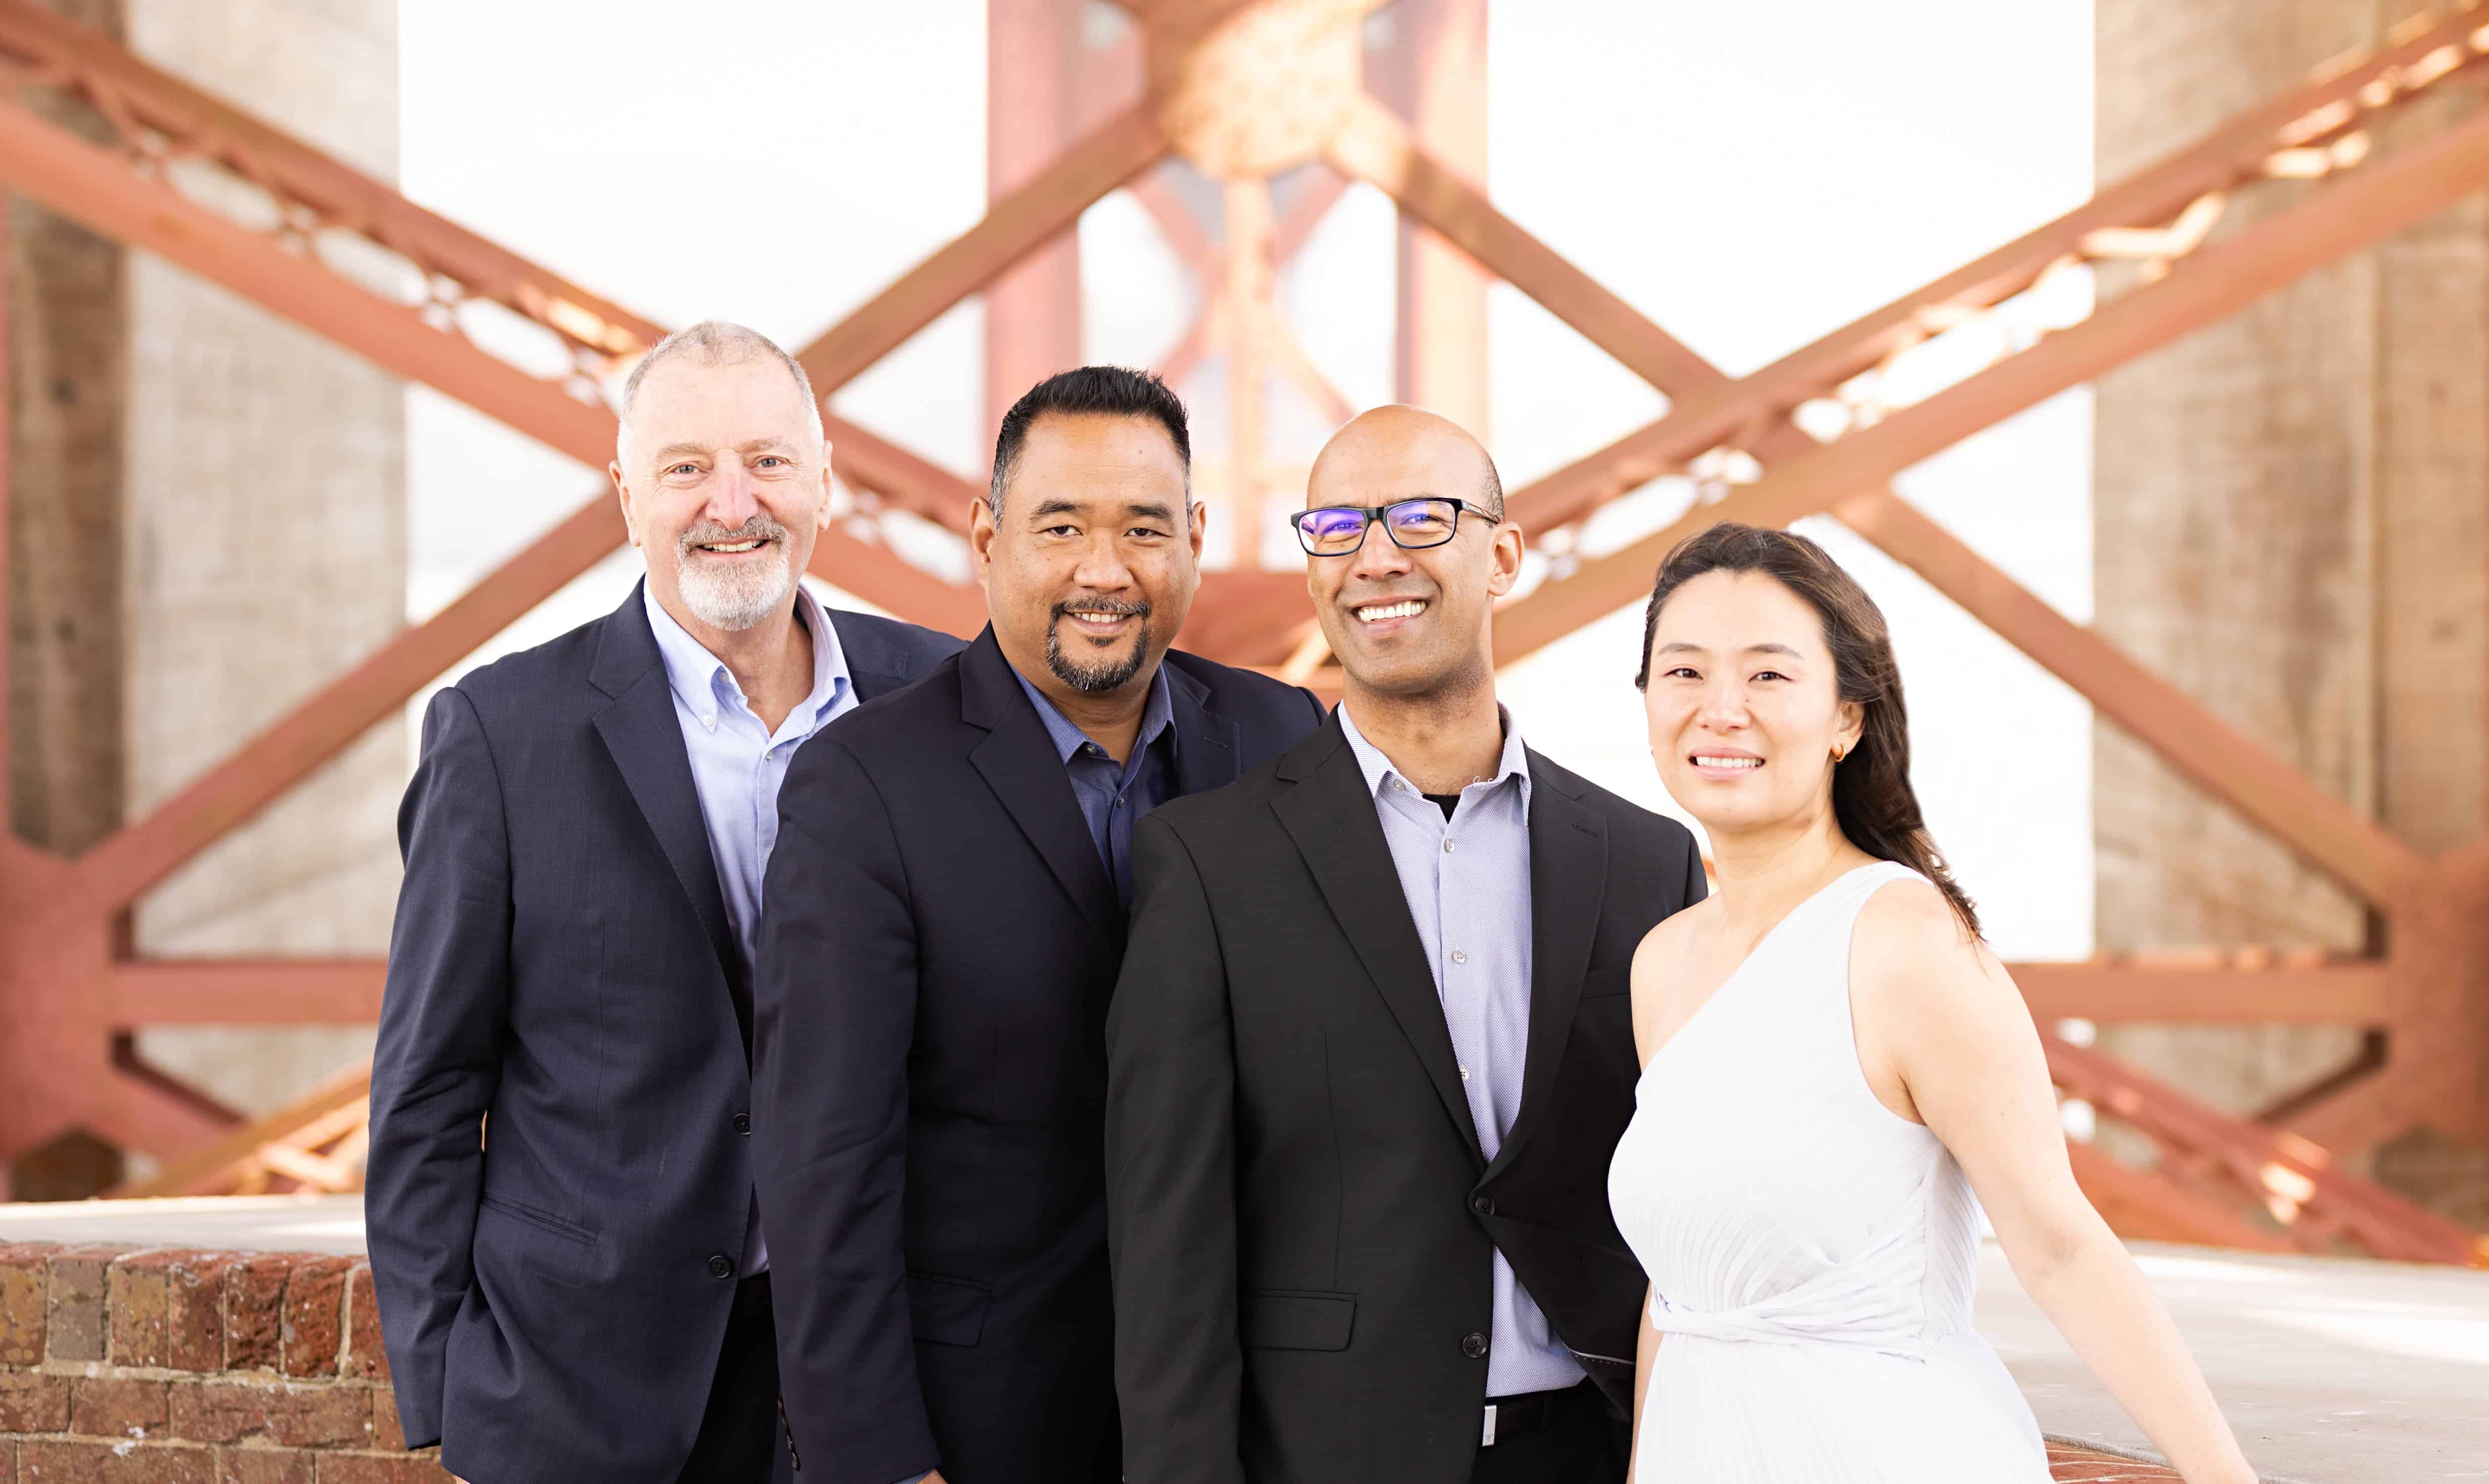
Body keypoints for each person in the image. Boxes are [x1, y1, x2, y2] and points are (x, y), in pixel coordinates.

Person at [365, 321, 963, 1484]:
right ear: (626, 492)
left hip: (880, 1371)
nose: (731, 503)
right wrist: (449, 1385)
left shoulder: (942, 697)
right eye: (687, 467)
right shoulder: (502, 734)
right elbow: (428, 1085)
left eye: (769, 462)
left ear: (825, 483)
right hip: (579, 1385)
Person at [1105, 406, 1708, 1484]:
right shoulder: (1207, 863)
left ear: (1505, 555)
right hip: (1325, 1458)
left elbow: (1694, 1202)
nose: (1376, 557)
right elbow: (1168, 1248)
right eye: (1335, 527)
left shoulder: (1646, 861)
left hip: (1591, 1450)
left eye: (1422, 517)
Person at [752, 366, 1326, 1484]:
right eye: (1059, 526)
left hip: (1241, 1422)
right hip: (978, 1425)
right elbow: (825, 1168)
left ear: (1196, 538)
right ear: (986, 535)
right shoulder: (864, 784)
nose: (1103, 572)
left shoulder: (1282, 737)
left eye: (1145, 529)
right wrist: (877, 1464)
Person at [1610, 521, 2257, 1483]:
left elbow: (2061, 1246)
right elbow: (1681, 1285)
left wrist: (2224, 1476)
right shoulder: (1662, 961)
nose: (1721, 710)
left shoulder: (1904, 941)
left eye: (1770, 676)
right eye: (1686, 672)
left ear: (1847, 720)